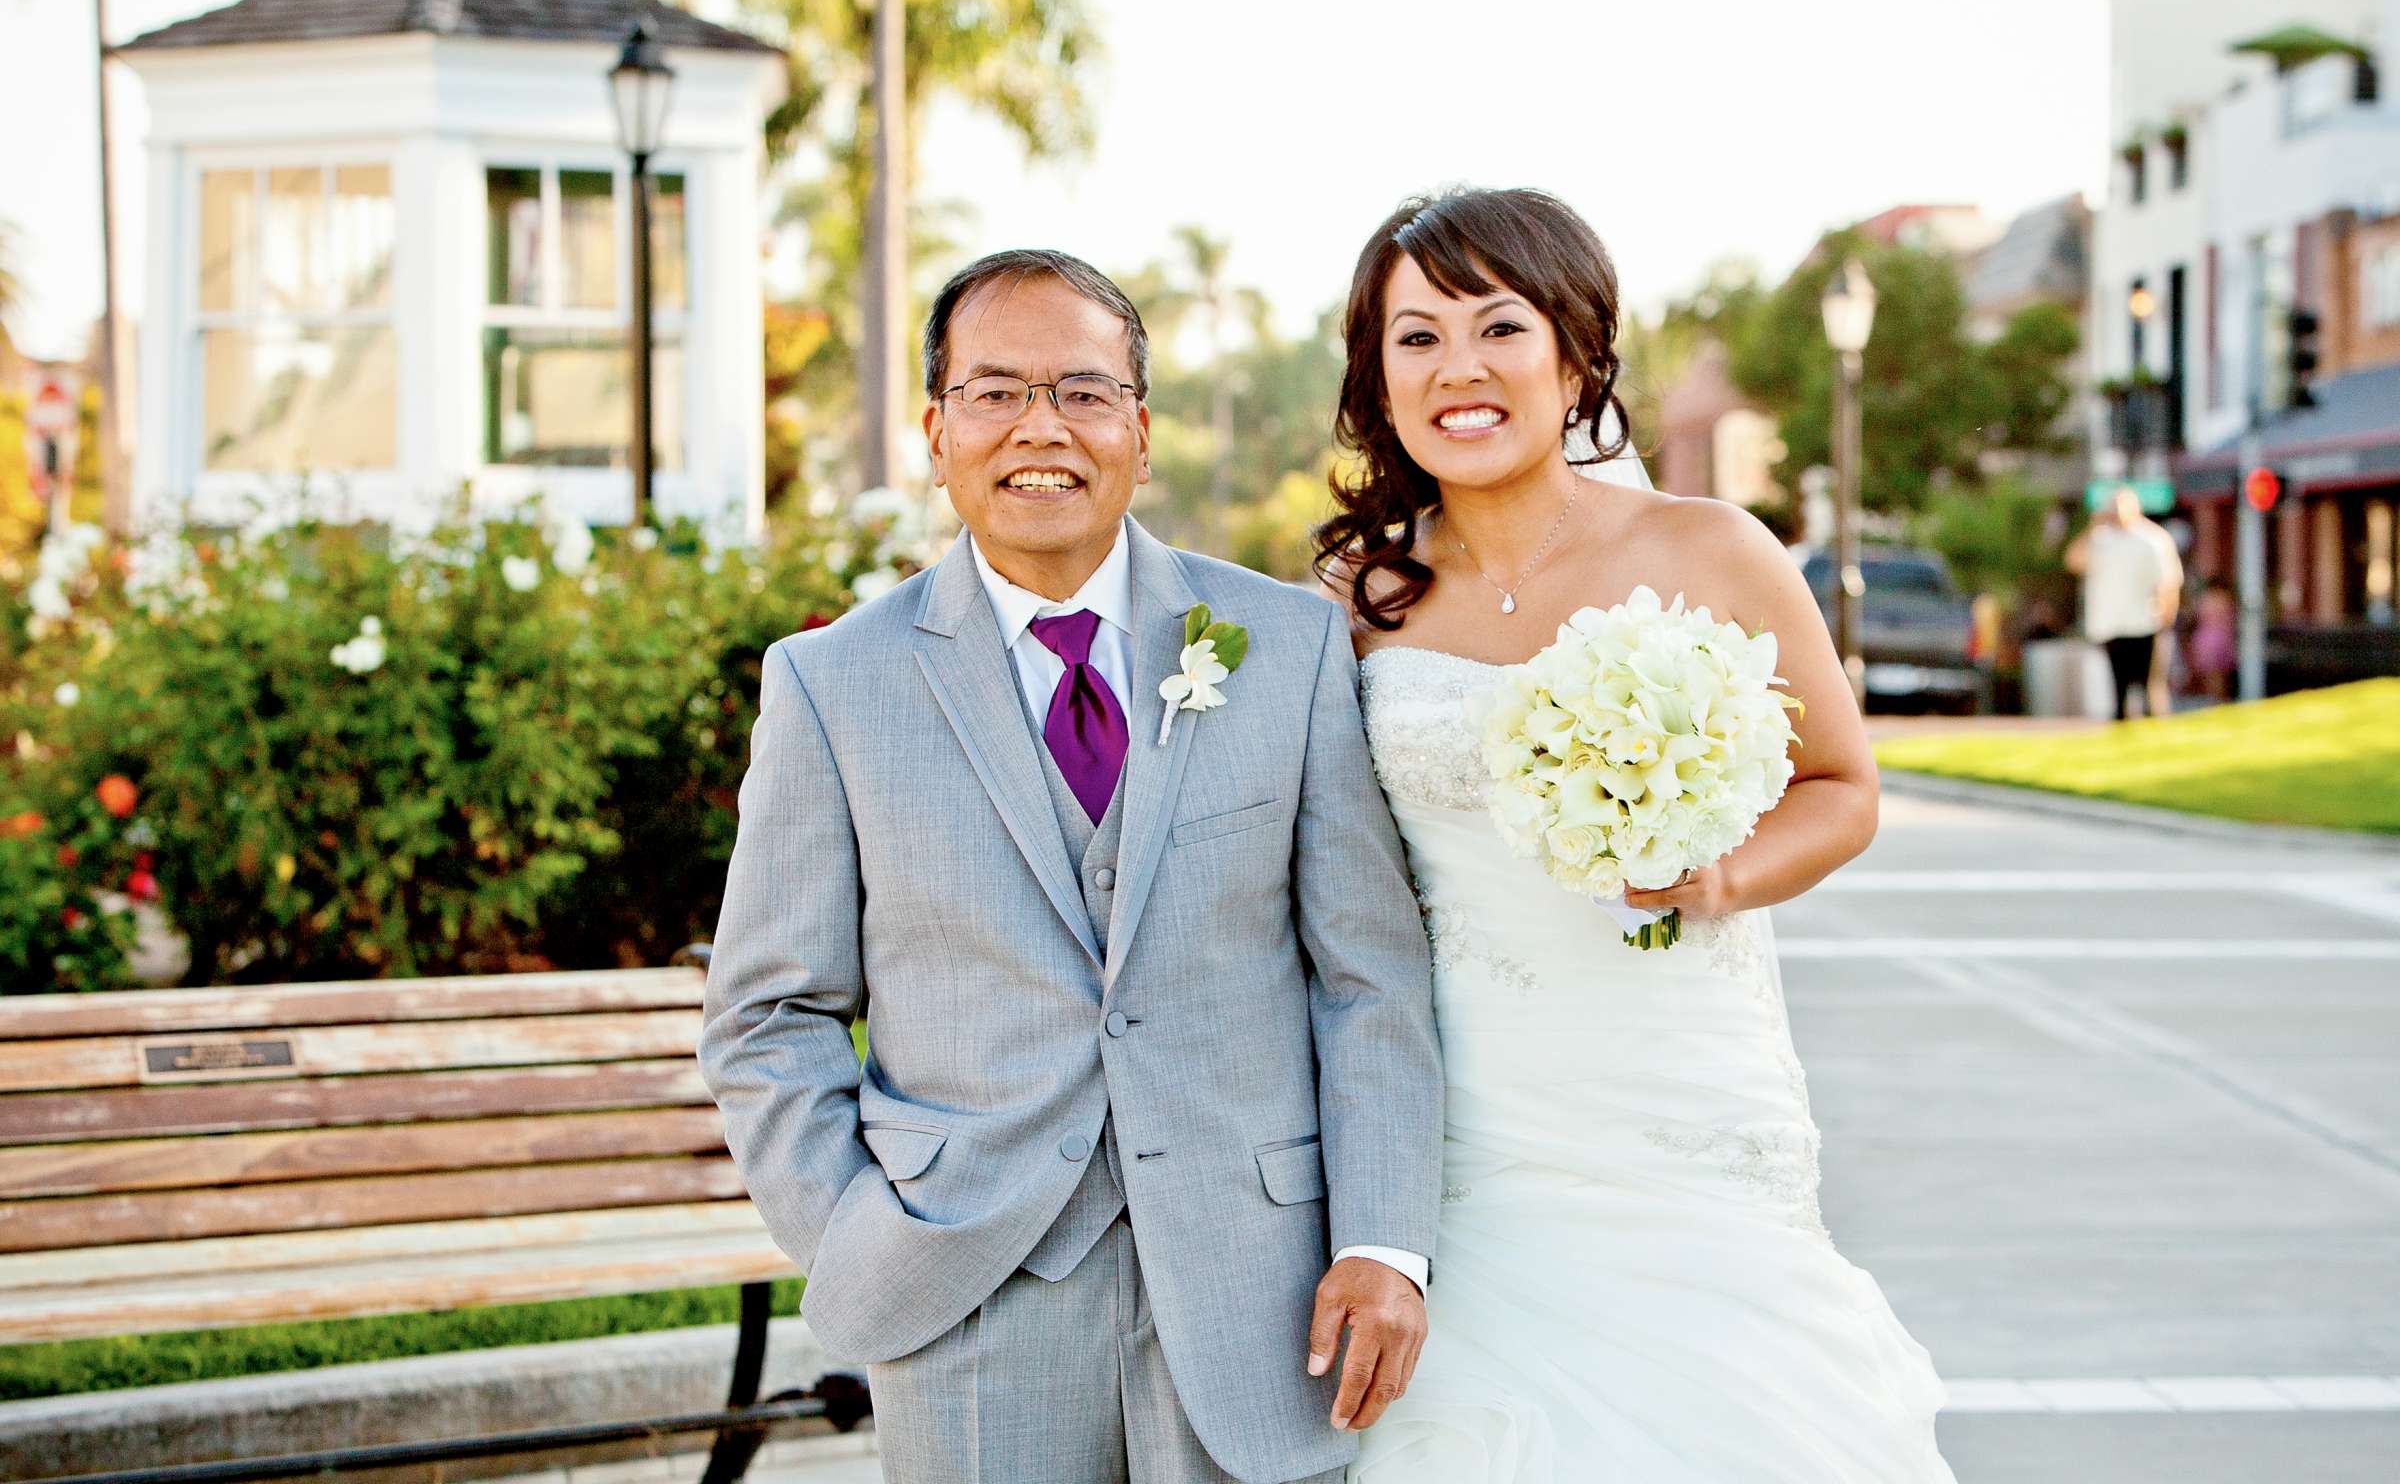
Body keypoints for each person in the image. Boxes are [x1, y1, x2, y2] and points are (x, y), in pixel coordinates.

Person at [700, 249, 1445, 1484]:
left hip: (1265, 1294)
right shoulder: (833, 685)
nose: (1041, 427)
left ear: (1140, 435)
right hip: (969, 1295)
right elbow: (766, 1015)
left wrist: (1384, 1239)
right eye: (996, 392)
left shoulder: (1288, 645)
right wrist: (862, 1234)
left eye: (1084, 391)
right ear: (937, 433)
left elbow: (1368, 978)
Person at [1316, 189, 1954, 1482]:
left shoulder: (1710, 548)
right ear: (1377, 378)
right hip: (1466, 1112)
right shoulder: (1358, 600)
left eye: (1500, 325)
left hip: (1675, 1082)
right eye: (1417, 337)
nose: (1462, 369)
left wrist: (1720, 874)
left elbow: (1842, 787)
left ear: (1576, 352)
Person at [2065, 488, 2183, 720]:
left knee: (2150, 687)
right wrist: (2092, 528)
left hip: (2146, 623)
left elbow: (2169, 582)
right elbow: (2073, 561)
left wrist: (2167, 616)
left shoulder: (2153, 539)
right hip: (2113, 626)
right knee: (2119, 690)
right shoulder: (2100, 540)